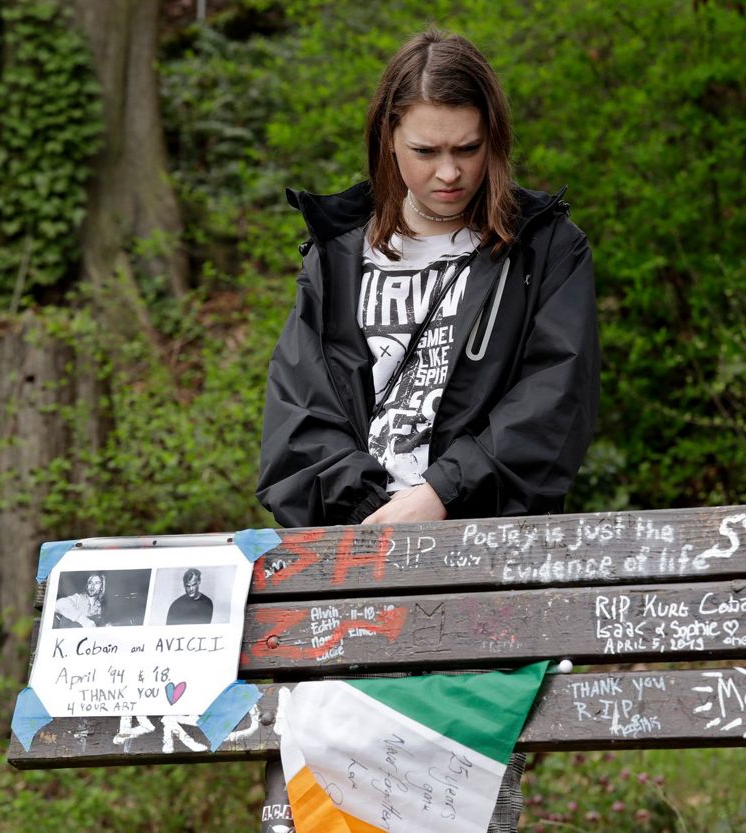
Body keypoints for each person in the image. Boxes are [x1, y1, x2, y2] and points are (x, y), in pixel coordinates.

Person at [255, 30, 599, 833]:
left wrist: (441, 494)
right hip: (348, 574)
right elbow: (295, 426)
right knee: (312, 812)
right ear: (387, 140)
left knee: (462, 811)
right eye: (426, 150)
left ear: (495, 140)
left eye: (469, 149)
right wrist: (380, 515)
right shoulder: (336, 256)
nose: (449, 173)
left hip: (478, 579)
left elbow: (555, 408)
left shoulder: (542, 250)